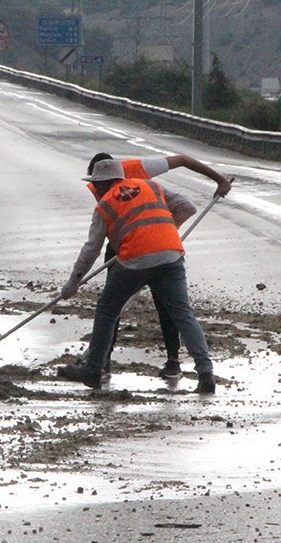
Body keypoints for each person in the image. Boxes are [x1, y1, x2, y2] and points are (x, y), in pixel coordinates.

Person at [61, 150, 233, 380]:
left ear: (101, 182)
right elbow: (186, 207)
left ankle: (94, 369)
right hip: (170, 254)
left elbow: (91, 250)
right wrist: (161, 233)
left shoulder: (105, 204)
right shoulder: (149, 185)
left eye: (95, 184)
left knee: (107, 309)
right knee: (183, 314)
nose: (95, 190)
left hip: (134, 259)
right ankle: (206, 374)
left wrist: (73, 284)